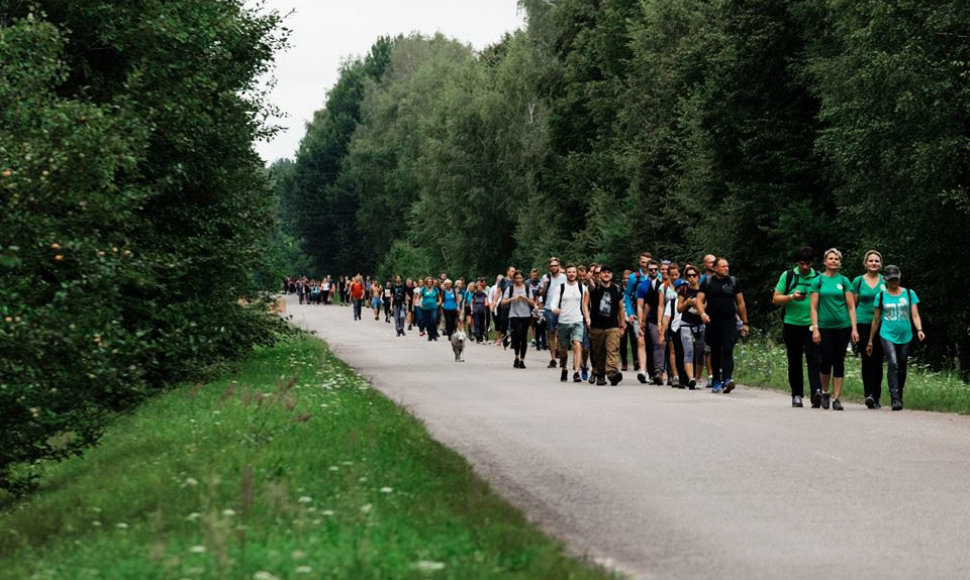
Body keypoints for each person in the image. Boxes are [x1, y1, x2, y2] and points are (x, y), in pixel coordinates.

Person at [866, 265, 925, 411]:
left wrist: (919, 329)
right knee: (893, 363)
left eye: (896, 279)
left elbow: (915, 315)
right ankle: (895, 398)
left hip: (906, 335)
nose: (893, 282)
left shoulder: (909, 294)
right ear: (885, 279)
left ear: (899, 278)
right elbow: (876, 319)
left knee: (902, 364)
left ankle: (900, 392)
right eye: (891, 279)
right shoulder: (880, 296)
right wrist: (870, 340)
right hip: (887, 334)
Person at [809, 248, 859, 411]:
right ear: (825, 262)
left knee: (839, 361)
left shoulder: (844, 281)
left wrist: (854, 328)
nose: (834, 261)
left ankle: (837, 398)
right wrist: (815, 328)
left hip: (842, 326)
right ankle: (825, 392)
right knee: (826, 359)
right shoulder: (819, 281)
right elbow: (814, 308)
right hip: (824, 326)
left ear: (840, 262)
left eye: (836, 259)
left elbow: (851, 307)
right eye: (831, 258)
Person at [772, 247, 822, 408]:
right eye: (802, 264)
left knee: (815, 359)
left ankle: (816, 392)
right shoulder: (789, 276)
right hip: (792, 324)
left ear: (812, 263)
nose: (805, 267)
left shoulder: (819, 277)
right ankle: (797, 395)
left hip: (812, 325)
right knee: (794, 361)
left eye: (808, 263)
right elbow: (776, 299)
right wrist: (792, 297)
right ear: (797, 263)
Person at [696, 257, 749, 394]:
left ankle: (727, 379)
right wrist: (702, 313)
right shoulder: (708, 283)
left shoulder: (733, 282)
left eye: (727, 266)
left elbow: (741, 303)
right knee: (715, 352)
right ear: (715, 268)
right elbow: (699, 300)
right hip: (713, 323)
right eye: (723, 266)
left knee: (728, 348)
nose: (726, 268)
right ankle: (716, 381)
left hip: (730, 322)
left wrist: (745, 323)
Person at [853, 250, 886, 408]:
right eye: (871, 261)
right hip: (862, 323)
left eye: (876, 261)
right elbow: (852, 305)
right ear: (865, 263)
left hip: (881, 324)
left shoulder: (885, 282)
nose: (874, 263)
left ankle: (877, 396)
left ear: (880, 264)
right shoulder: (858, 281)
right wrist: (852, 328)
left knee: (878, 360)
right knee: (867, 359)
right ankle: (869, 394)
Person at [584, 264, 627, 386]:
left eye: (608, 272)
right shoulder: (595, 288)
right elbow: (591, 286)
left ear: (612, 275)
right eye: (604, 272)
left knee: (612, 350)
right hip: (597, 326)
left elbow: (621, 308)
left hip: (612, 326)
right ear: (600, 275)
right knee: (598, 352)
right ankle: (600, 374)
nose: (606, 274)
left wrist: (622, 324)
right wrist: (589, 280)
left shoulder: (616, 289)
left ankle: (612, 372)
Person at [553, 264, 588, 382]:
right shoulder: (561, 287)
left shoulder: (582, 288)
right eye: (569, 272)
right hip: (563, 321)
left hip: (577, 320)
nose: (572, 274)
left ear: (576, 273)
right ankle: (564, 368)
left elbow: (584, 305)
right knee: (563, 349)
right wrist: (555, 309)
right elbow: (554, 303)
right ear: (566, 274)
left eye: (573, 272)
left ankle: (576, 372)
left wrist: (587, 318)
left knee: (577, 344)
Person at [634, 261, 664, 384]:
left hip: (660, 319)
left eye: (655, 269)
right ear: (647, 270)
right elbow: (641, 305)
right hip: (648, 318)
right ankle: (646, 371)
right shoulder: (643, 286)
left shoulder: (662, 284)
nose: (653, 271)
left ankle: (657, 372)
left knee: (657, 345)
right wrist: (641, 321)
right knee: (645, 343)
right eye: (651, 269)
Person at [676, 264, 705, 389]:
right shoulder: (684, 290)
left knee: (700, 352)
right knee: (688, 351)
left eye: (694, 275)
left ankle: (698, 378)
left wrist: (698, 306)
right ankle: (691, 378)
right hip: (686, 323)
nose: (692, 278)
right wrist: (687, 302)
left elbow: (706, 306)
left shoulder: (704, 290)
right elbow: (679, 309)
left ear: (698, 276)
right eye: (689, 276)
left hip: (700, 324)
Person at [501, 270, 537, 368]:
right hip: (514, 315)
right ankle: (516, 357)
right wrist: (512, 299)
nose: (518, 280)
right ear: (513, 279)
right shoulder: (510, 289)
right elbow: (503, 302)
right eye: (516, 278)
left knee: (523, 337)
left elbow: (532, 302)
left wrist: (524, 298)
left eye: (520, 278)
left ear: (523, 279)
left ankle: (522, 360)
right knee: (516, 336)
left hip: (525, 315)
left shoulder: (527, 288)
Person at [540, 258, 567, 368]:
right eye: (551, 266)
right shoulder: (545, 278)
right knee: (551, 333)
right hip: (549, 308)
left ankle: (561, 354)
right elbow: (541, 293)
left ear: (559, 266)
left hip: (562, 308)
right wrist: (545, 285)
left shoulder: (564, 278)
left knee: (562, 334)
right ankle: (552, 359)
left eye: (555, 266)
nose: (553, 268)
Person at [418, 277, 442, 341]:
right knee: (427, 322)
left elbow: (439, 298)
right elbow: (418, 297)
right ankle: (430, 335)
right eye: (428, 282)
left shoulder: (435, 289)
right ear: (426, 282)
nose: (429, 283)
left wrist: (439, 302)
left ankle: (434, 334)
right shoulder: (423, 289)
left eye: (431, 282)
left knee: (433, 320)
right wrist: (419, 304)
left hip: (433, 307)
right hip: (425, 308)